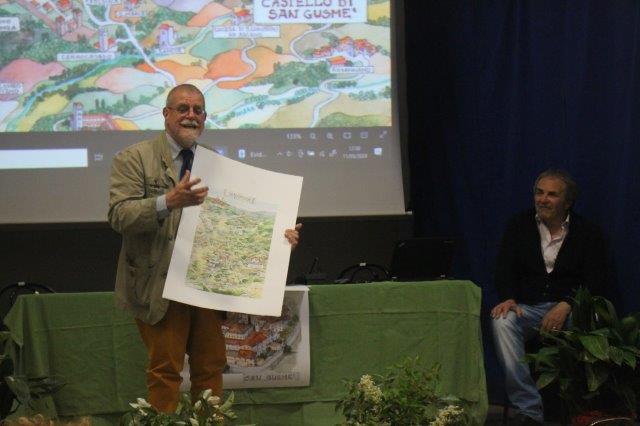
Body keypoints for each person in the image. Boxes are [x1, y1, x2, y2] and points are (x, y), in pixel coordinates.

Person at [108, 83, 301, 412]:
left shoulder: (214, 163)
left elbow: (237, 222)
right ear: (166, 114)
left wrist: (278, 241)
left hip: (205, 285)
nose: (191, 115)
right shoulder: (134, 158)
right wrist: (166, 202)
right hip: (159, 285)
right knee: (165, 371)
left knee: (211, 367)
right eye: (183, 108)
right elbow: (119, 215)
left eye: (198, 110)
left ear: (205, 118)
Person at [491, 169, 606, 425]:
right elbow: (503, 268)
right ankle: (529, 409)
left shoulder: (587, 232)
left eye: (552, 195)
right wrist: (508, 297)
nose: (543, 199)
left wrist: (567, 304)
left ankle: (580, 407)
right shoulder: (519, 226)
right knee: (501, 321)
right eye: (539, 193)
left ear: (567, 202)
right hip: (529, 308)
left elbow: (596, 280)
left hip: (569, 309)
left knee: (589, 323)